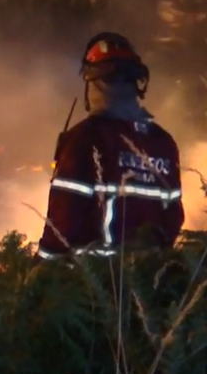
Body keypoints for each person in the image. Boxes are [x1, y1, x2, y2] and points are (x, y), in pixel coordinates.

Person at [35, 31, 184, 261]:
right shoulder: (163, 143)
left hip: (96, 278)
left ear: (94, 83)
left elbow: (62, 222)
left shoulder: (86, 138)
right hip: (150, 277)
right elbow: (173, 219)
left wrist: (39, 270)